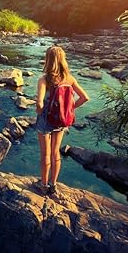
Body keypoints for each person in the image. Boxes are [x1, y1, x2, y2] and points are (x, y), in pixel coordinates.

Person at [35, 46, 89, 195]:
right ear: (63, 60)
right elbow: (85, 97)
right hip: (61, 120)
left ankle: (43, 185)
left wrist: (39, 112)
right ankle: (53, 185)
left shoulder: (44, 79)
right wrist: (70, 109)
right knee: (55, 153)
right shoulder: (69, 78)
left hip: (46, 120)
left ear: (48, 60)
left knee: (45, 155)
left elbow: (39, 104)